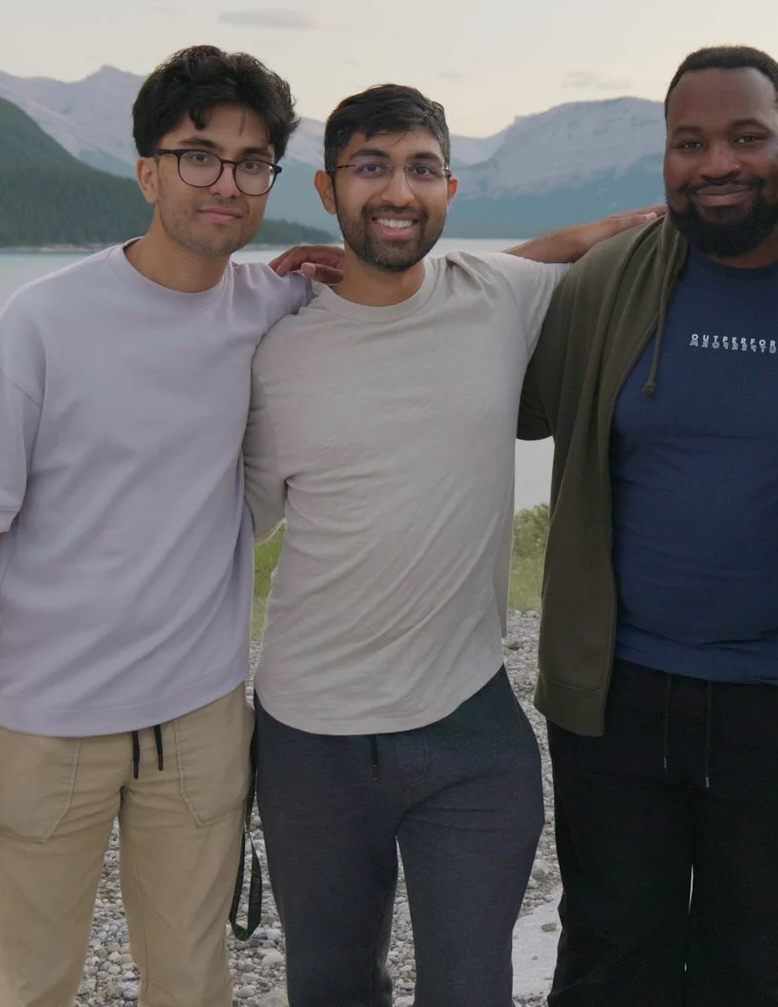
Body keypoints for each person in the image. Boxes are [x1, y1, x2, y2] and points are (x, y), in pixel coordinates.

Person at [0, 45, 336, 1007]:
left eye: (251, 160)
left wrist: (592, 240)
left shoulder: (273, 302)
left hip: (200, 725)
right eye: (198, 154)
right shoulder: (44, 322)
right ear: (148, 169)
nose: (225, 180)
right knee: (32, 984)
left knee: (193, 982)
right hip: (48, 728)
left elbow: (411, 273)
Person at [242, 85, 653, 1005]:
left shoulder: (497, 294)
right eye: (372, 167)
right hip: (310, 739)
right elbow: (238, 520)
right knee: (332, 984)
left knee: (473, 988)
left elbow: (615, 246)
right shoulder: (276, 345)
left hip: (470, 731)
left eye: (421, 169)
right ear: (326, 187)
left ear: (451, 190)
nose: (398, 190)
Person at [518, 46, 778, 1005]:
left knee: (762, 966)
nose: (716, 162)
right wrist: (537, 254)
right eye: (689, 142)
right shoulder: (608, 283)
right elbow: (467, 356)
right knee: (611, 958)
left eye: (746, 136)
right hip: (619, 692)